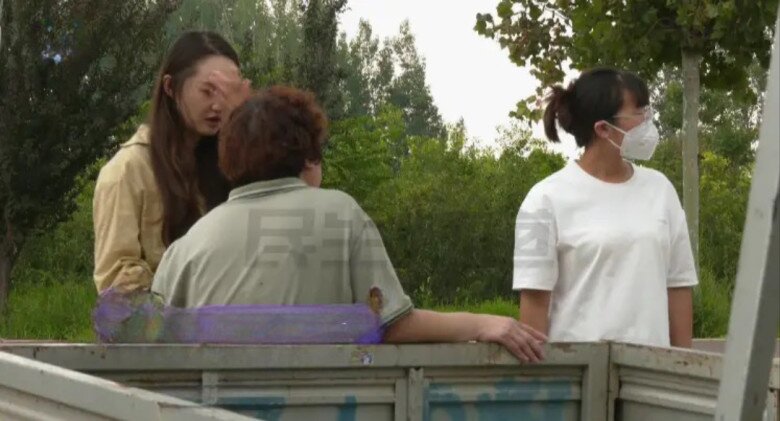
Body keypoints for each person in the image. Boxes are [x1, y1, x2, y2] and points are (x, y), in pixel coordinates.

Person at [151, 86, 547, 362]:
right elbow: (393, 324)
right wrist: (484, 322)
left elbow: (154, 346)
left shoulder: (187, 245)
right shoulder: (339, 212)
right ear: (308, 157)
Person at [513, 68, 697, 348]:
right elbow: (534, 310)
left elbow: (679, 286)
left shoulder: (661, 190)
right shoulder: (542, 201)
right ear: (603, 129)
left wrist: (685, 367)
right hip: (579, 370)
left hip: (653, 371)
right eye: (638, 113)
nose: (647, 121)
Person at [93, 31, 252, 293]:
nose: (218, 105)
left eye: (227, 93)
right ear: (170, 87)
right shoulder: (128, 171)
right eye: (207, 91)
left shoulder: (234, 163)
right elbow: (117, 285)